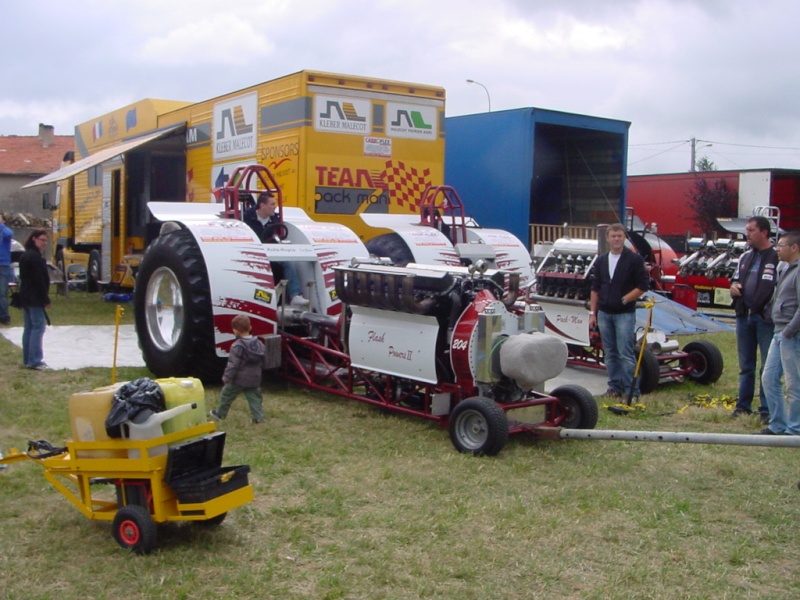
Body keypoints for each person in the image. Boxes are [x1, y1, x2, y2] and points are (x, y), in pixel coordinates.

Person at [589, 223, 649, 398]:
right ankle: (614, 387)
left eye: (619, 236)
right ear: (607, 238)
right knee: (610, 353)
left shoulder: (634, 259)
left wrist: (624, 299)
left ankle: (632, 391)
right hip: (604, 314)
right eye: (613, 236)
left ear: (624, 238)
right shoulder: (601, 260)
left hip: (624, 314)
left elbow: (642, 286)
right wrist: (593, 313)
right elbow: (595, 288)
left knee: (625, 353)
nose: (616, 239)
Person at [729, 216, 778, 423]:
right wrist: (733, 287)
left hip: (765, 319)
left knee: (767, 366)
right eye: (746, 230)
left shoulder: (777, 257)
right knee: (746, 365)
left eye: (751, 230)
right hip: (743, 317)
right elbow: (735, 279)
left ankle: (766, 409)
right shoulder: (745, 257)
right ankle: (743, 406)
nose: (746, 234)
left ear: (764, 232)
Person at [759, 231, 800, 435]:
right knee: (768, 378)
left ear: (794, 248)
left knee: (794, 383)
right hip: (779, 332)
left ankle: (795, 429)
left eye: (781, 245)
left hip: (791, 335)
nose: (777, 249)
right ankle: (778, 425)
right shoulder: (784, 268)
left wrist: (789, 332)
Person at [243, 192, 309, 306]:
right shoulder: (246, 219)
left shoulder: (275, 220)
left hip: (271, 253)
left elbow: (280, 236)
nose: (275, 207)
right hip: (252, 253)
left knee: (289, 261)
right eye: (272, 204)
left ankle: (295, 295)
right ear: (262, 205)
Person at [209, 314, 266, 424]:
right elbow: (264, 359)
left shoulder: (237, 346)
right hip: (254, 377)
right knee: (254, 398)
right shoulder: (259, 344)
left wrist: (226, 377)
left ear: (235, 331)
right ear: (250, 328)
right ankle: (258, 418)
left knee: (227, 395)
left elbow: (233, 365)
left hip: (238, 379)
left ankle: (220, 413)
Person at [18, 229, 51, 370]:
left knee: (29, 328)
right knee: (38, 327)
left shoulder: (27, 255)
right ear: (34, 239)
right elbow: (38, 280)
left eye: (46, 240)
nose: (44, 243)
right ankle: (35, 360)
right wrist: (45, 298)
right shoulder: (34, 257)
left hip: (26, 296)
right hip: (34, 297)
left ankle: (28, 359)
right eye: (42, 239)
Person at [0, 212, 12, 325]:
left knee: (2, 292)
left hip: (3, 264)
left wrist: (1, 225)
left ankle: (4, 316)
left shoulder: (5, 231)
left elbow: (9, 234)